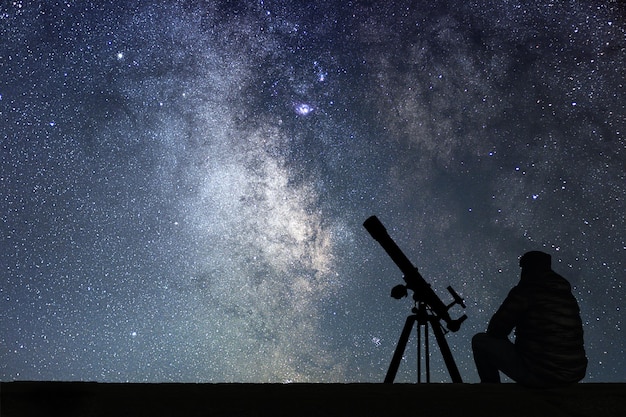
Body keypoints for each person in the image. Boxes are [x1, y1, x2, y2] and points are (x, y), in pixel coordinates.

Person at [472, 250, 587, 387]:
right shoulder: (566, 295)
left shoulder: (526, 290)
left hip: (542, 375)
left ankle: (491, 392)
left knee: (480, 341)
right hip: (574, 373)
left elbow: (496, 329)